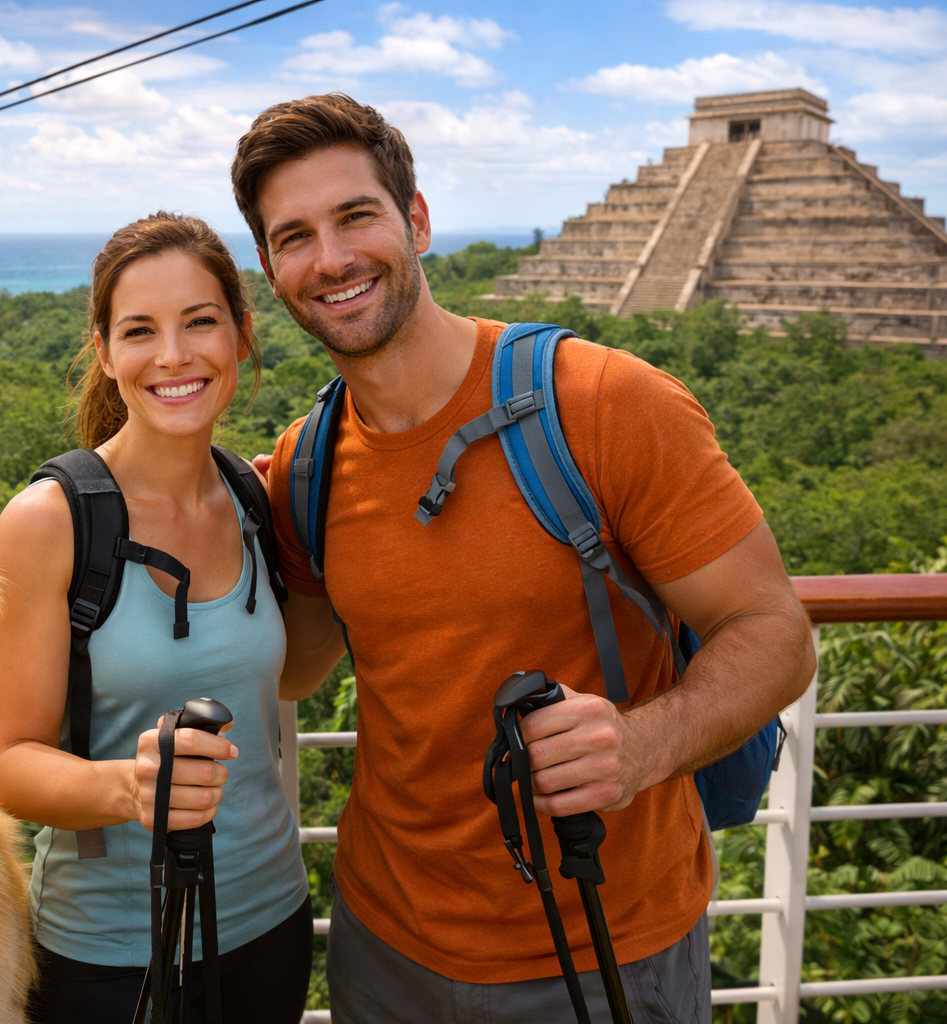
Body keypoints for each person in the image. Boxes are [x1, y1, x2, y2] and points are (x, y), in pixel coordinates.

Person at [218, 94, 815, 1023]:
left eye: (356, 216)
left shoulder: (606, 404)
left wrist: (642, 745)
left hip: (605, 941)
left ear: (416, 220)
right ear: (270, 266)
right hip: (383, 942)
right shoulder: (307, 463)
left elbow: (775, 632)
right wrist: (203, 507)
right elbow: (295, 667)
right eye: (294, 236)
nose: (330, 259)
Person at [0, 213, 314, 1024]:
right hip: (114, 952)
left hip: (272, 920)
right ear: (104, 351)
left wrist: (355, 540)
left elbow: (293, 673)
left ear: (240, 334)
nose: (173, 356)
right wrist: (128, 786)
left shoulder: (252, 497)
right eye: (140, 331)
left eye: (200, 322)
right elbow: (13, 768)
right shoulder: (49, 521)